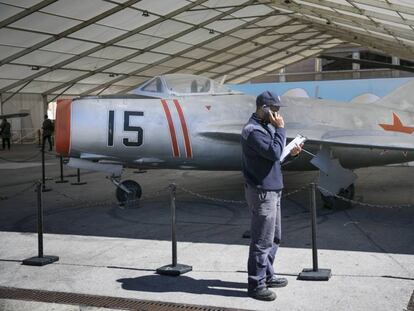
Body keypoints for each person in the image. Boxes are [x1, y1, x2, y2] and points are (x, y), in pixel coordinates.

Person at [241, 91, 302, 301]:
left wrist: (291, 153)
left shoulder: (265, 127)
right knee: (261, 241)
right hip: (262, 192)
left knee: (274, 237)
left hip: (272, 189)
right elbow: (274, 153)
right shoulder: (253, 130)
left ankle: (267, 274)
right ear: (263, 108)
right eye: (274, 109)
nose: (277, 114)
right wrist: (281, 129)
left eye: (278, 110)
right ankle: (256, 285)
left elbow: (274, 158)